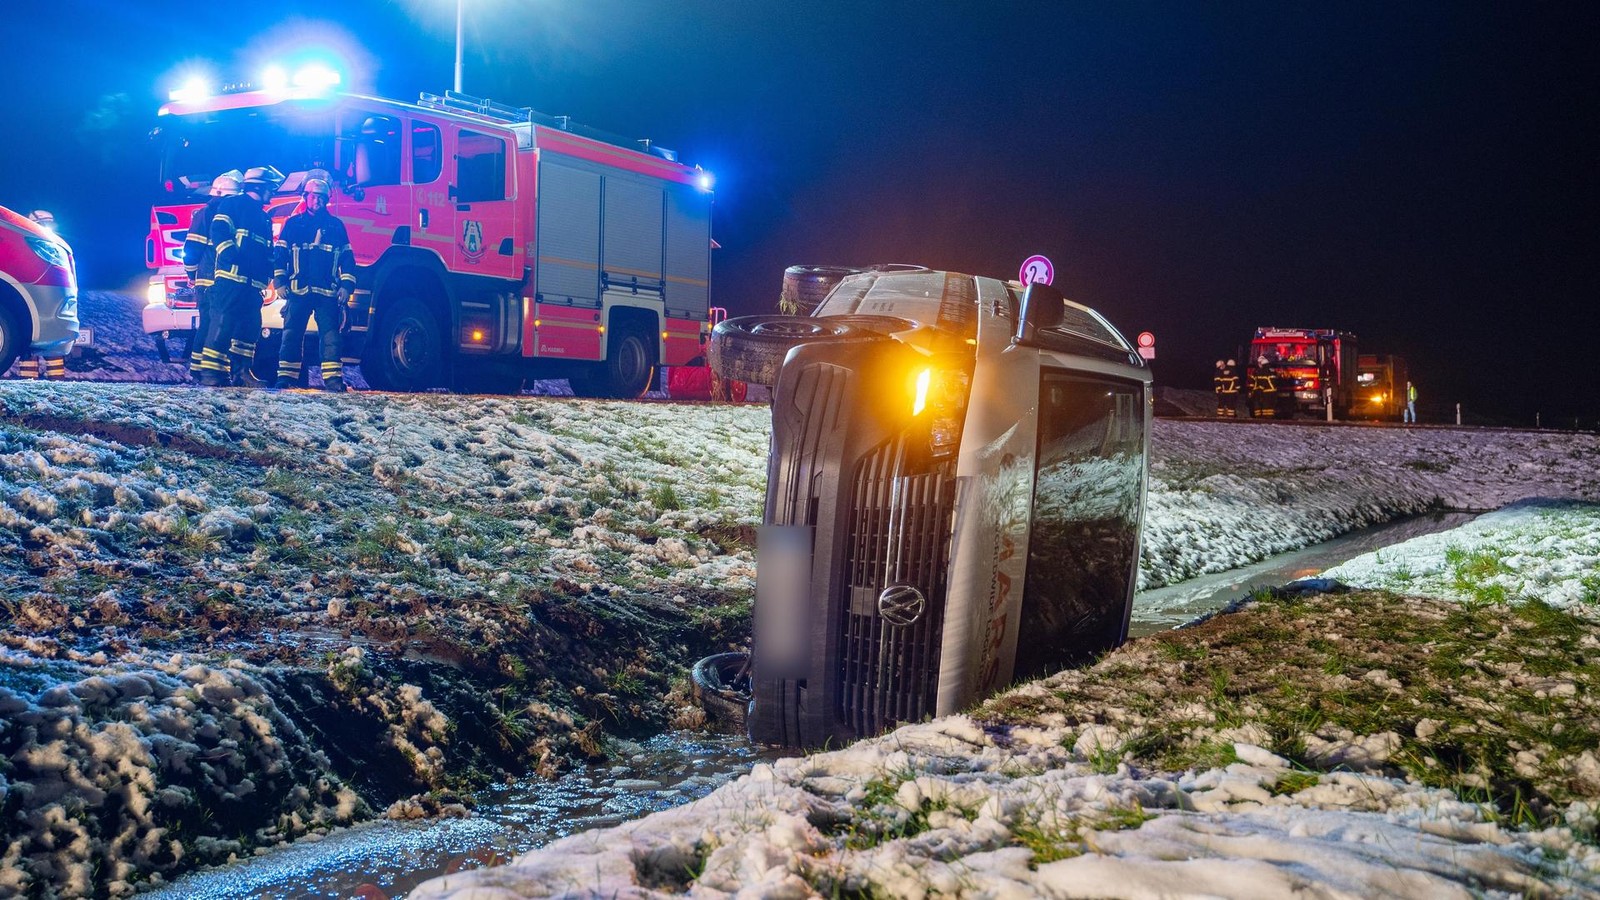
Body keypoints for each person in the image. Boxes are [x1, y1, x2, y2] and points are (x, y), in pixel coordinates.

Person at [198, 165, 283, 386]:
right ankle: (211, 373)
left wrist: (270, 272)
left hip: (253, 284)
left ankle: (242, 372)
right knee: (223, 323)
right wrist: (230, 255)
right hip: (231, 278)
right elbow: (219, 231)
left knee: (249, 327)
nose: (272, 193)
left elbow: (266, 250)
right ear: (259, 187)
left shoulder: (264, 217)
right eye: (270, 188)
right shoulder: (233, 204)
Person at [271, 177, 356, 392]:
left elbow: (347, 259)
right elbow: (280, 255)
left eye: (321, 197)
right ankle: (286, 378)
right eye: (313, 196)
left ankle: (333, 380)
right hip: (298, 290)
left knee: (331, 336)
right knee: (291, 334)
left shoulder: (335, 226)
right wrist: (279, 282)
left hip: (327, 292)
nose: (316, 201)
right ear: (305, 197)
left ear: (327, 200)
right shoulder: (293, 224)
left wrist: (346, 286)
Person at [182, 170, 243, 380]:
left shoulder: (208, 214)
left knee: (211, 324)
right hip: (211, 279)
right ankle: (202, 371)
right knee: (210, 324)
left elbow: (191, 251)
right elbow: (192, 249)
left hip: (212, 278)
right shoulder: (209, 215)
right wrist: (192, 274)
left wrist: (192, 273)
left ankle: (200, 370)